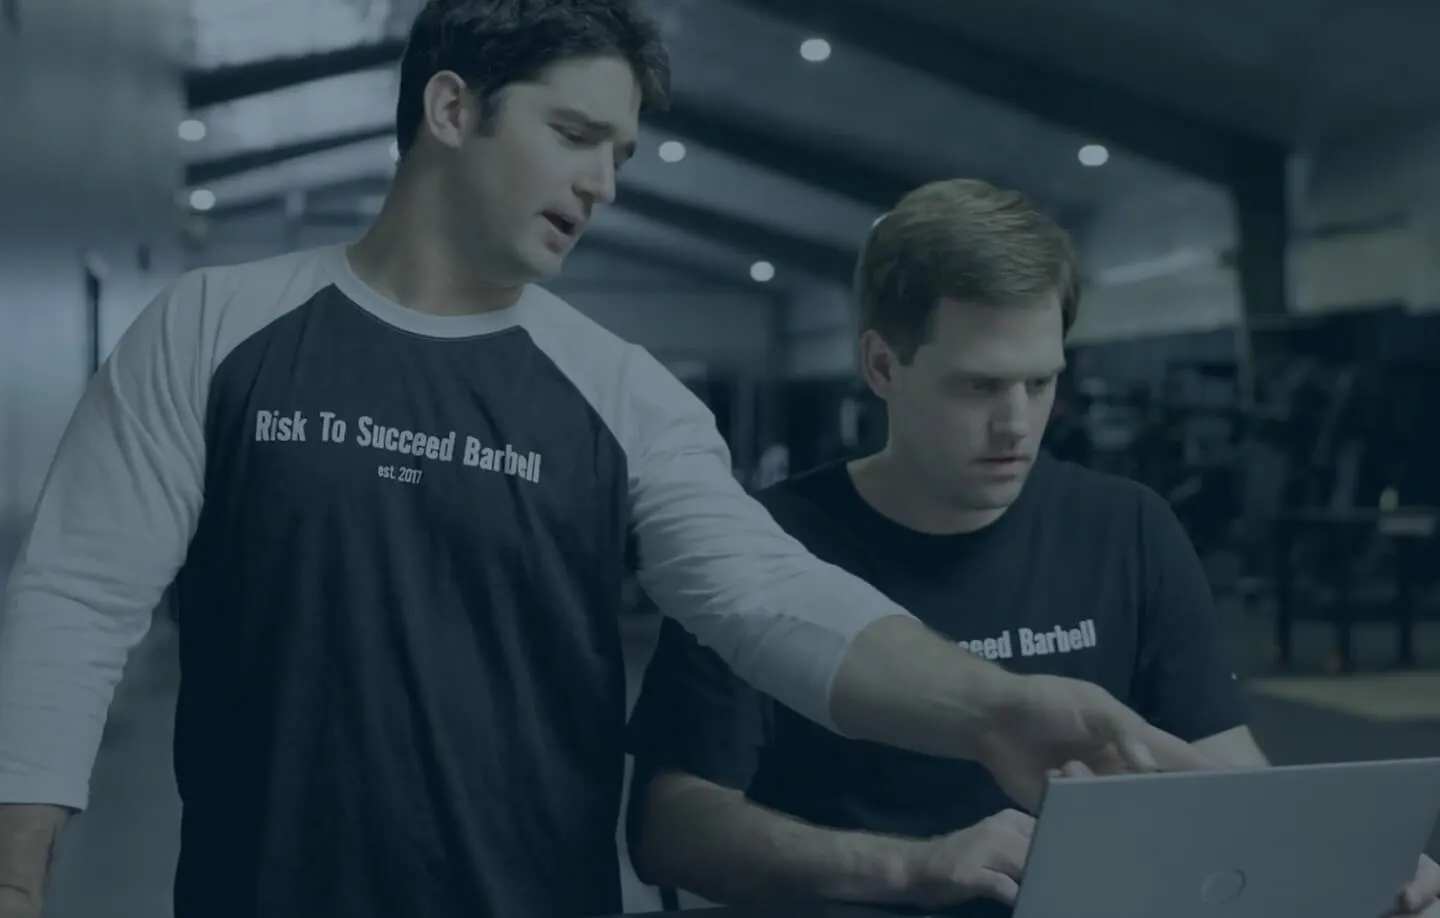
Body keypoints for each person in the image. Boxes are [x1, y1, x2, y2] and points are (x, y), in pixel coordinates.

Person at [0, 5, 1212, 918]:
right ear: (453, 108)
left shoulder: (621, 390)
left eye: (622, 153)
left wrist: (990, 707)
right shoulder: (216, 328)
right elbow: (74, 605)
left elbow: (766, 595)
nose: (602, 182)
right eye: (575, 134)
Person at [624, 178, 1440, 917]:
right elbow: (675, 827)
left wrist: (1344, 865)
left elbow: (1219, 762)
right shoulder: (761, 549)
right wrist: (912, 868)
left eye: (1041, 382)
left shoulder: (1128, 527)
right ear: (881, 364)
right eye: (980, 386)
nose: (1018, 423)